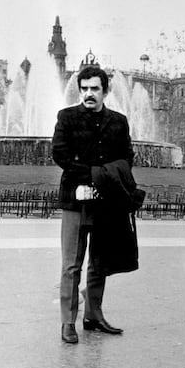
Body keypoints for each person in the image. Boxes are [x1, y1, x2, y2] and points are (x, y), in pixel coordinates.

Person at [52, 66, 141, 344]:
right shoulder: (66, 117)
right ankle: (68, 322)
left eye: (95, 89)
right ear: (80, 90)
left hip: (105, 202)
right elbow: (61, 155)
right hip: (75, 200)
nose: (89, 94)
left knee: (99, 261)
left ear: (106, 91)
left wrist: (104, 175)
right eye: (85, 88)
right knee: (71, 264)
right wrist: (96, 173)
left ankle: (93, 315)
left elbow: (126, 157)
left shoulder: (118, 121)